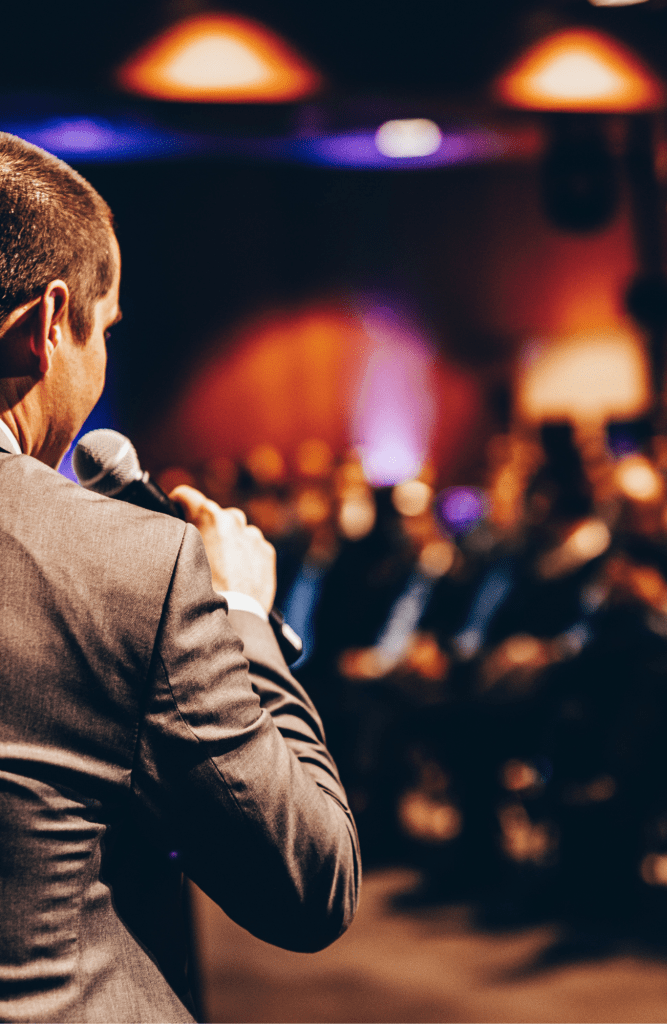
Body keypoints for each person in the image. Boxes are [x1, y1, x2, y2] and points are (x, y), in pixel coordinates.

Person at [0, 132, 360, 1023]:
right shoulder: (127, 563)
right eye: (106, 328)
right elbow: (308, 883)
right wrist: (238, 613)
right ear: (50, 323)